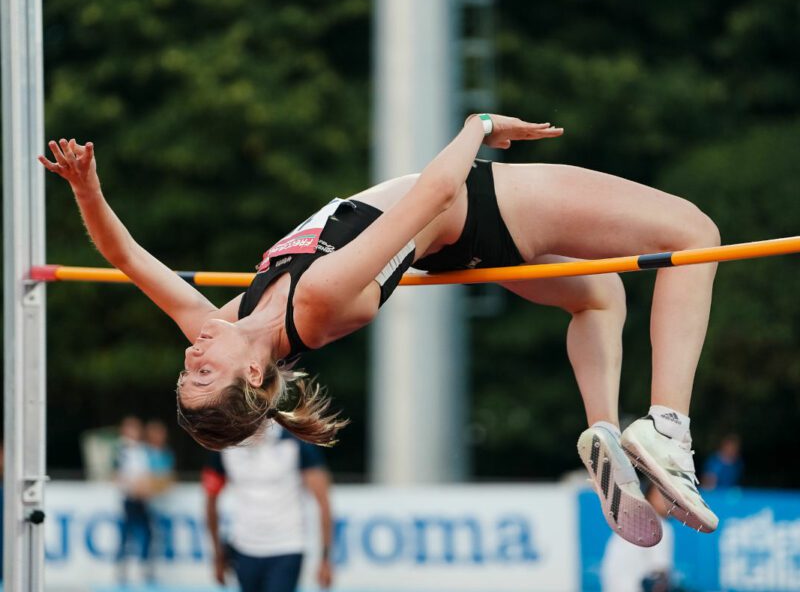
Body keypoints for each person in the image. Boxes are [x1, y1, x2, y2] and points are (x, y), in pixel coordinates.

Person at [40, 112, 721, 546]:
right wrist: (477, 127)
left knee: (600, 298)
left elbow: (126, 257)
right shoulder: (319, 301)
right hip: (479, 204)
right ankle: (666, 426)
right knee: (695, 234)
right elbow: (433, 193)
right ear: (252, 374)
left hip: (456, 243)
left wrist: (85, 188)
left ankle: (604, 428)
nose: (191, 353)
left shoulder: (227, 323)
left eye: (186, 368)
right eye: (202, 372)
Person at [203, 423, 333, 592]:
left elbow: (323, 501)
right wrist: (218, 555)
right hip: (244, 547)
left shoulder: (295, 440)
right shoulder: (225, 444)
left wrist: (325, 558)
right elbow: (210, 501)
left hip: (287, 546)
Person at [601, 483, 679, 592]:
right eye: (664, 497)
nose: (669, 503)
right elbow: (659, 573)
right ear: (650, 496)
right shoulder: (662, 527)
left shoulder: (630, 521)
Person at [114, 415, 155, 584]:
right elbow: (119, 474)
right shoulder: (122, 450)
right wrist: (132, 487)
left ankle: (142, 566)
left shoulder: (141, 450)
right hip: (130, 497)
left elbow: (146, 473)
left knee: (145, 533)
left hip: (141, 497)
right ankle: (123, 567)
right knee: (128, 533)